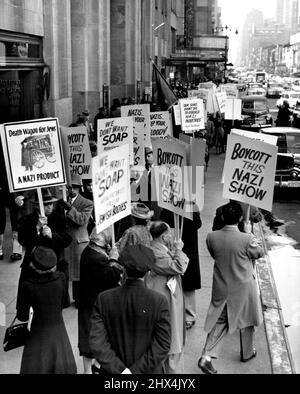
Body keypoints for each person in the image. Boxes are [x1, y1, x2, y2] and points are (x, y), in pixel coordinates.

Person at [198, 202, 264, 374]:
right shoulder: (247, 238)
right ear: (241, 218)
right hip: (243, 288)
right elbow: (259, 253)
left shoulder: (211, 237)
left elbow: (214, 254)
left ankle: (206, 356)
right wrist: (249, 233)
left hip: (221, 287)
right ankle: (247, 353)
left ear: (221, 217)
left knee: (219, 322)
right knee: (248, 320)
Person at [89, 244, 171, 374]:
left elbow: (97, 343)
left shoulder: (104, 299)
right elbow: (162, 345)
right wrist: (135, 371)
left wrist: (121, 370)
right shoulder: (159, 301)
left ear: (124, 270)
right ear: (148, 273)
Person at [17, 246, 77, 374]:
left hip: (37, 336)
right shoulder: (61, 278)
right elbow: (65, 303)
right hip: (59, 333)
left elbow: (22, 316)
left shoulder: (28, 285)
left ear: (33, 265)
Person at [16, 188, 72, 312]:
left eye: (51, 204)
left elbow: (68, 239)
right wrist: (37, 228)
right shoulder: (28, 220)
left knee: (55, 305)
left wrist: (53, 236)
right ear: (38, 206)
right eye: (46, 205)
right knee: (33, 304)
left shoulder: (59, 218)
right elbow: (24, 241)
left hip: (56, 265)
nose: (49, 207)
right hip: (34, 267)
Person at [146, 222, 189, 374]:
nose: (173, 237)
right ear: (164, 237)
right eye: (170, 234)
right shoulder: (156, 253)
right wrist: (178, 249)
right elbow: (179, 266)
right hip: (166, 302)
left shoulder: (158, 248)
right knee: (170, 341)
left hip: (167, 298)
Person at [78, 228, 123, 374]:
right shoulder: (95, 258)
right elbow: (112, 276)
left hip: (91, 300)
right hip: (92, 304)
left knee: (97, 336)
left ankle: (95, 365)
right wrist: (113, 259)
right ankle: (87, 371)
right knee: (89, 338)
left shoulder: (91, 251)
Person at [60, 174, 94, 308]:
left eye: (75, 187)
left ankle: (80, 299)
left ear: (80, 188)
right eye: (70, 187)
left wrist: (69, 208)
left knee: (79, 272)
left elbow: (82, 220)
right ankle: (65, 300)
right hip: (66, 240)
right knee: (66, 271)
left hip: (79, 240)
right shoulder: (62, 199)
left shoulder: (87, 203)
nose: (72, 190)